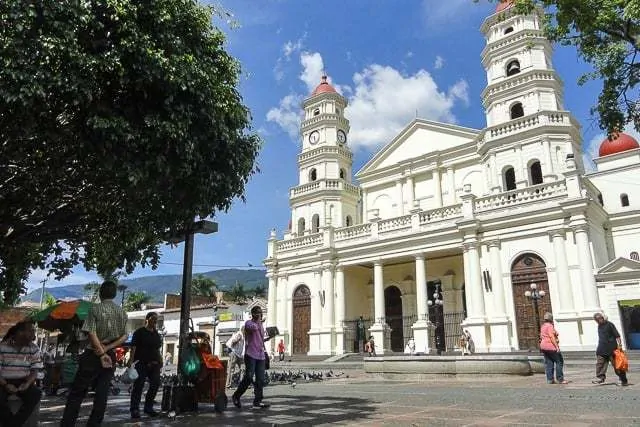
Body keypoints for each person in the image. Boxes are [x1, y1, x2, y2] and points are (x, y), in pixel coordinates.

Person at [60, 280, 128, 427]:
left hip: (92, 354)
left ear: (100, 293)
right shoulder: (122, 313)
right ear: (115, 294)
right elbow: (124, 336)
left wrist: (100, 350)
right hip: (110, 355)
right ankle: (94, 423)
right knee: (102, 393)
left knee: (78, 392)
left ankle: (67, 423)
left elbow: (91, 331)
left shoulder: (95, 310)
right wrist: (107, 349)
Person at [0, 320, 43, 427]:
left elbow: (35, 370)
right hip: (3, 380)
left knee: (36, 394)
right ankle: (11, 423)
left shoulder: (34, 348)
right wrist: (5, 384)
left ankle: (12, 424)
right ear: (20, 332)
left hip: (23, 380)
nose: (34, 334)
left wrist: (28, 383)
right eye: (31, 331)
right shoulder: (2, 347)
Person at [232, 306, 274, 409]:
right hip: (250, 354)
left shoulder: (260, 325)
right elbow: (254, 328)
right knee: (249, 377)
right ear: (253, 314)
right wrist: (259, 321)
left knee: (260, 379)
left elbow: (259, 339)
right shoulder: (249, 323)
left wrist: (268, 338)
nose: (259, 315)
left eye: (260, 313)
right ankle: (236, 396)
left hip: (260, 355)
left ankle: (258, 401)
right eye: (257, 313)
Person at [128, 312, 162, 419]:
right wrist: (131, 359)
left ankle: (148, 407)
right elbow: (133, 347)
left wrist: (160, 360)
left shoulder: (156, 334)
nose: (154, 321)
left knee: (155, 384)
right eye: (153, 319)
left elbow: (157, 349)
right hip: (141, 363)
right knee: (139, 385)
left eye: (156, 320)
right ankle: (134, 409)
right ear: (147, 319)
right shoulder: (139, 332)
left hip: (154, 363)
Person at [592, 312, 628, 386]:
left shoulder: (610, 324)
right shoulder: (599, 326)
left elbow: (617, 335)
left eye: (599, 319)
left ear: (602, 317)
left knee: (617, 366)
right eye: (597, 320)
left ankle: (623, 380)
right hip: (601, 349)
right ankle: (600, 378)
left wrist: (620, 345)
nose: (598, 321)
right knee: (600, 364)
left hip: (612, 349)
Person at [539, 312, 568, 384]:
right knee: (559, 362)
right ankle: (560, 379)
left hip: (543, 346)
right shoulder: (550, 326)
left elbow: (543, 335)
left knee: (549, 363)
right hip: (550, 346)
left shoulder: (543, 326)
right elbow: (551, 337)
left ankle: (550, 379)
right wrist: (556, 347)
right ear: (551, 319)